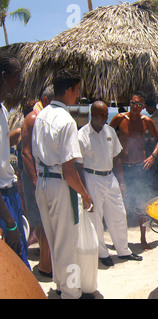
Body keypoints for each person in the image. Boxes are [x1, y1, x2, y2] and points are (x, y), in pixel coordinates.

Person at [32, 68, 95, 299]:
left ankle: (60, 285)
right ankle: (70, 294)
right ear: (68, 90)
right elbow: (69, 172)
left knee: (53, 236)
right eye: (77, 91)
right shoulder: (67, 121)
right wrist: (86, 196)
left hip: (43, 183)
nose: (78, 96)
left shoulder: (41, 115)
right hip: (59, 184)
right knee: (66, 243)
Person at [78, 101, 142, 267]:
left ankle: (123, 250)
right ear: (93, 114)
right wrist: (84, 191)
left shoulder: (110, 131)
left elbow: (116, 157)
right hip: (91, 177)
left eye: (106, 114)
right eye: (101, 115)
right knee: (96, 217)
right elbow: (78, 166)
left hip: (109, 177)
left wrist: (121, 182)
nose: (105, 118)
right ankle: (103, 253)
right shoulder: (82, 135)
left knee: (119, 214)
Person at [109, 91, 158, 250]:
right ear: (129, 103)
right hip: (122, 167)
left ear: (143, 107)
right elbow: (105, 135)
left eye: (139, 104)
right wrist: (109, 155)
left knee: (141, 204)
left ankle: (143, 238)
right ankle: (121, 240)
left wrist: (153, 156)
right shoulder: (119, 119)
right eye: (133, 103)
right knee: (122, 204)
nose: (135, 107)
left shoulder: (146, 121)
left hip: (140, 167)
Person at [0, 53, 30, 269]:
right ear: (3, 76)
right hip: (2, 199)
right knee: (11, 263)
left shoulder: (3, 109)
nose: (19, 79)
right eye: (16, 74)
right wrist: (9, 222)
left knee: (20, 255)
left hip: (10, 193)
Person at [21, 85, 54, 277]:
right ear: (48, 100)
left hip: (40, 175)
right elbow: (26, 154)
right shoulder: (34, 117)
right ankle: (45, 264)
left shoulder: (42, 116)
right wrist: (34, 181)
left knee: (44, 220)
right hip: (34, 175)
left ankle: (46, 260)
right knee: (41, 221)